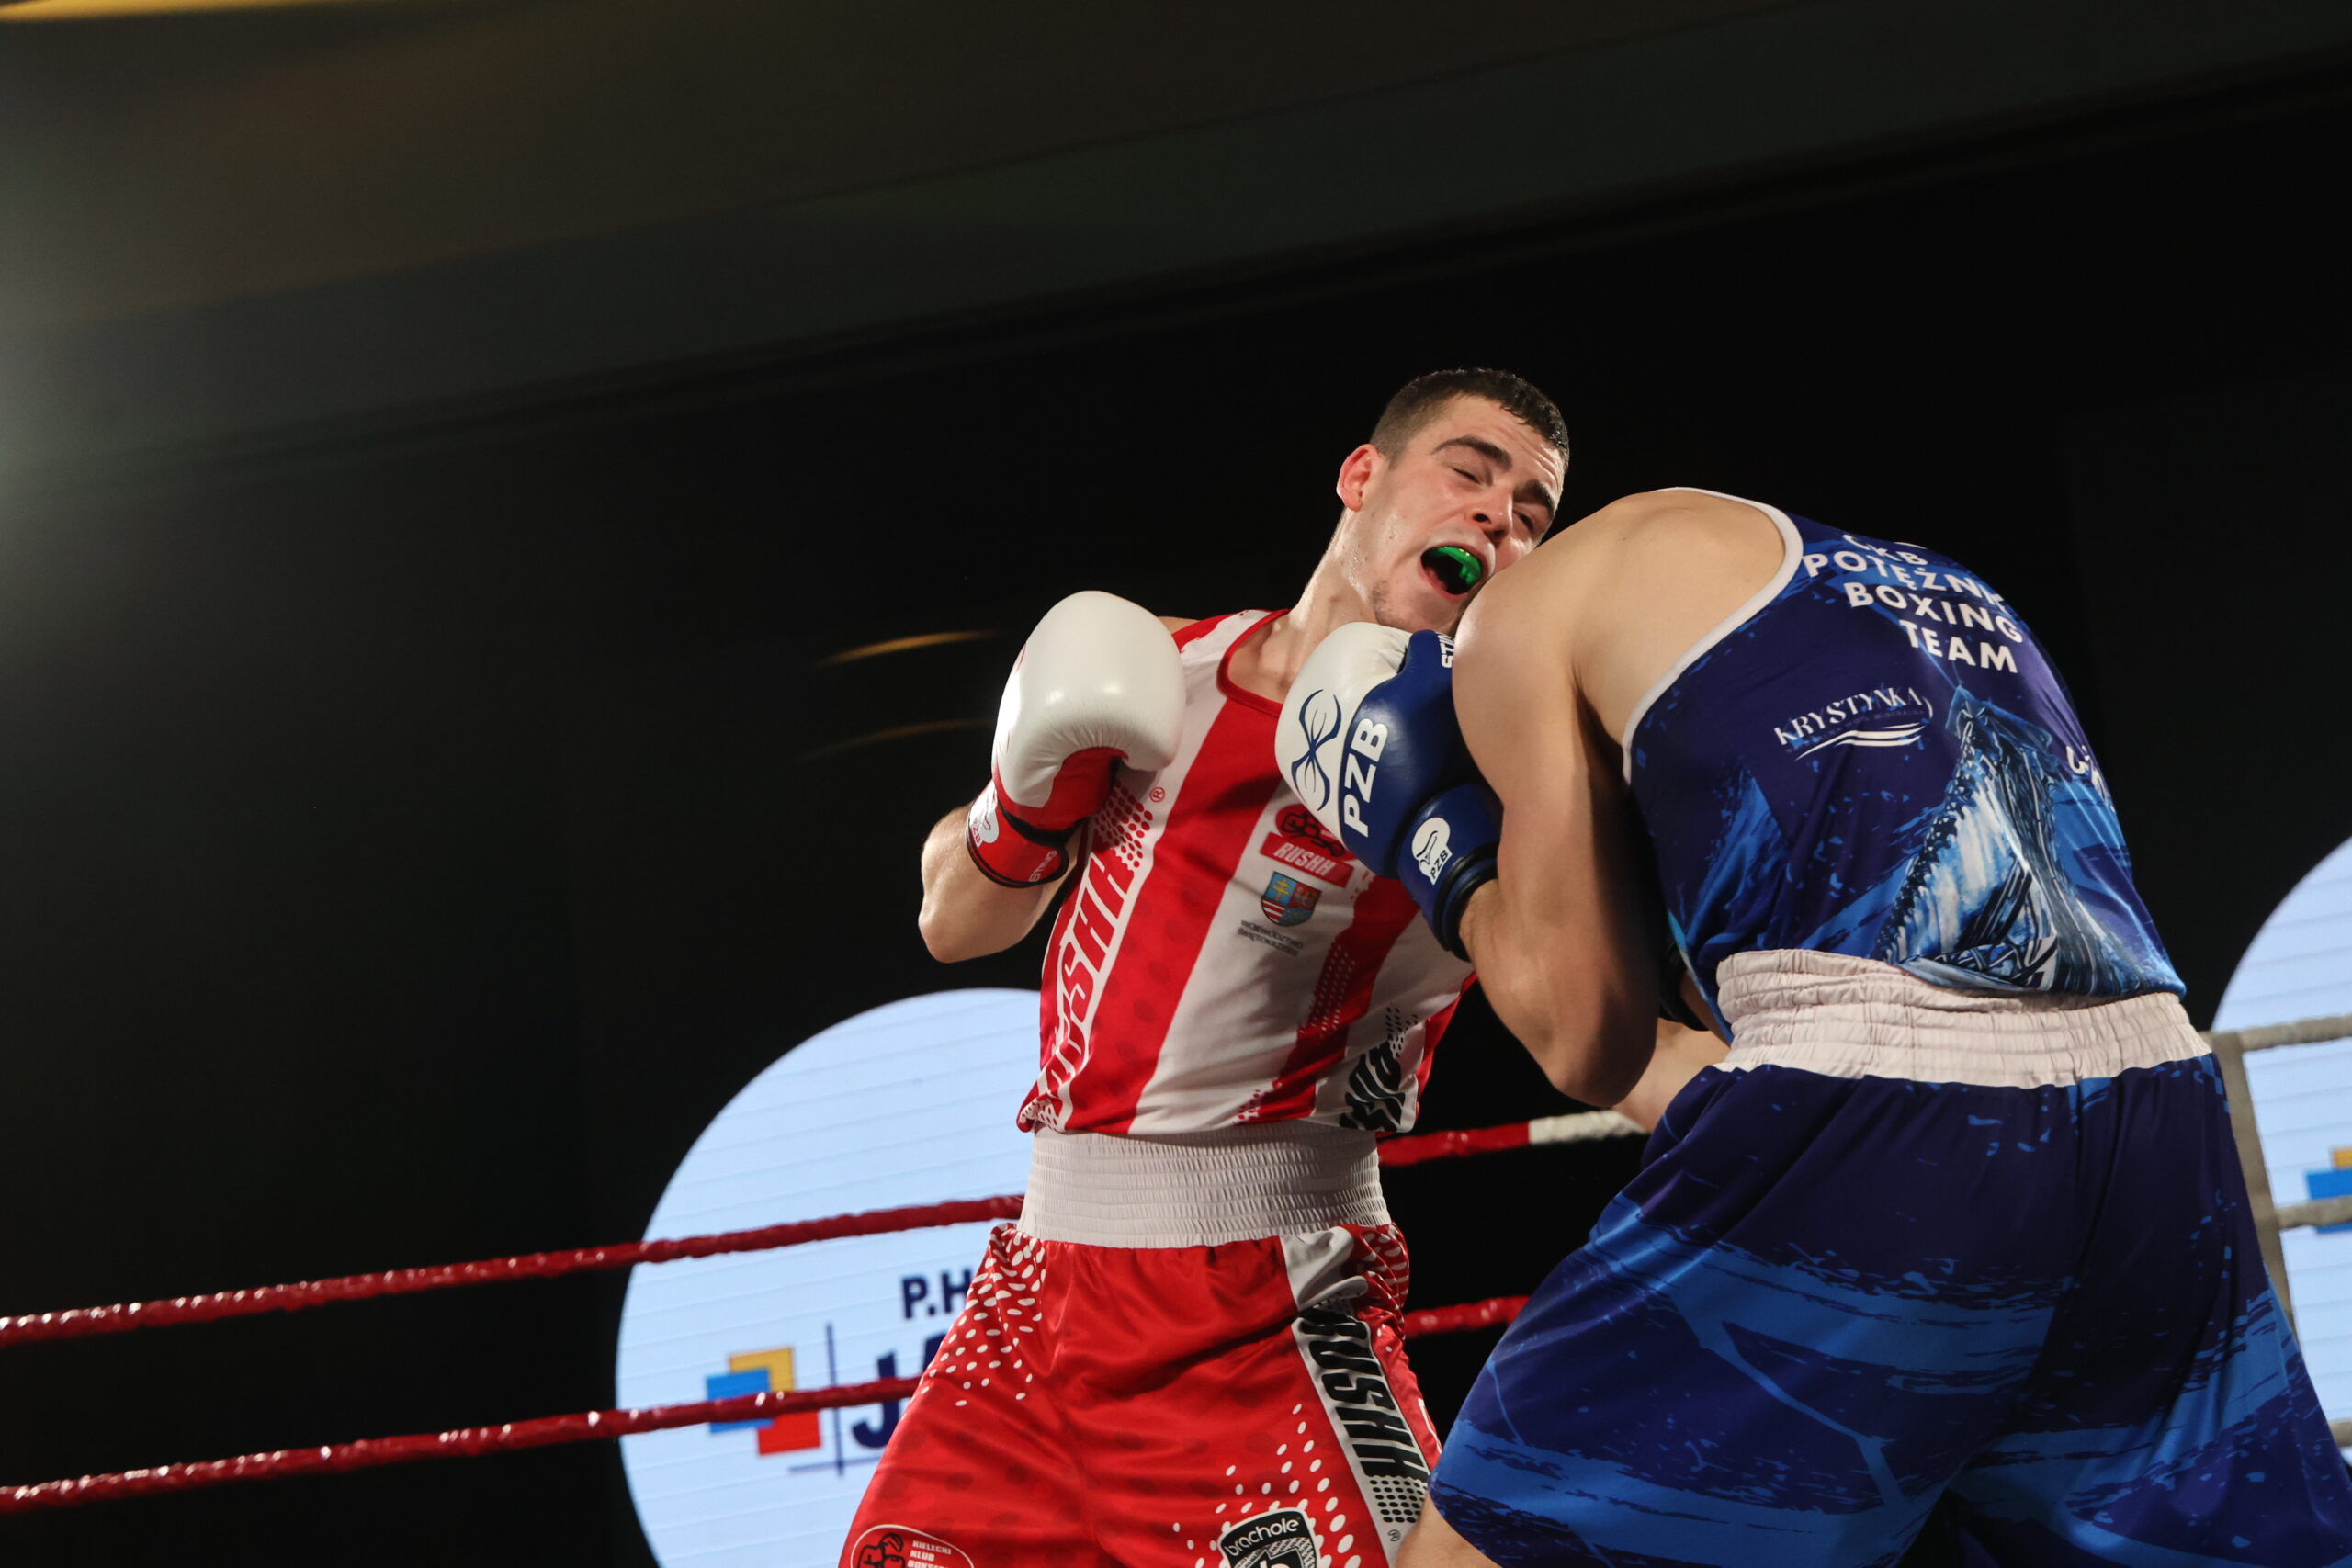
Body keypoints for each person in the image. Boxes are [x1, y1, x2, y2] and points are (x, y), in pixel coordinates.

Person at [1279, 486, 2352, 1566]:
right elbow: (1905, 1023)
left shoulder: (1523, 615)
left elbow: (1586, 1040)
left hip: (1894, 1130)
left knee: (1477, 1552)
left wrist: (1443, 846)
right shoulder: (1927, 590)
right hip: (2160, 1113)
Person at [839, 369, 1572, 1568]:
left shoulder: (1498, 765)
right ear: (1362, 476)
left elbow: (1573, 1011)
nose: (1498, 516)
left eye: (1531, 515)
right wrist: (1022, 806)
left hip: (1261, 1309)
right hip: (1033, 1303)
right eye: (1469, 473)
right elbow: (950, 921)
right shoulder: (1164, 670)